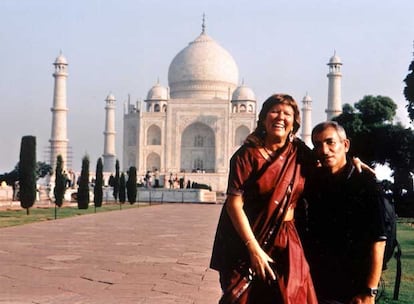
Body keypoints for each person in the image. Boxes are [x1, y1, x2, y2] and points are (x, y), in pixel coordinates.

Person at [210, 94, 318, 303]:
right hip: (247, 238)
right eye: (274, 111)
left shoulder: (300, 154)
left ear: (294, 122)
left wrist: (355, 164)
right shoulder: (246, 156)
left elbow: (330, 165)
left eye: (287, 113)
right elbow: (234, 204)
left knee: (289, 296)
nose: (280, 117)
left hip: (286, 241)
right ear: (263, 118)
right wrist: (254, 249)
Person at [301, 121, 386, 304]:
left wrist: (369, 292)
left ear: (345, 145)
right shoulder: (314, 183)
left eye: (330, 142)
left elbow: (378, 241)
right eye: (317, 144)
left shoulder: (366, 184)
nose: (324, 150)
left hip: (353, 288)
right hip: (318, 284)